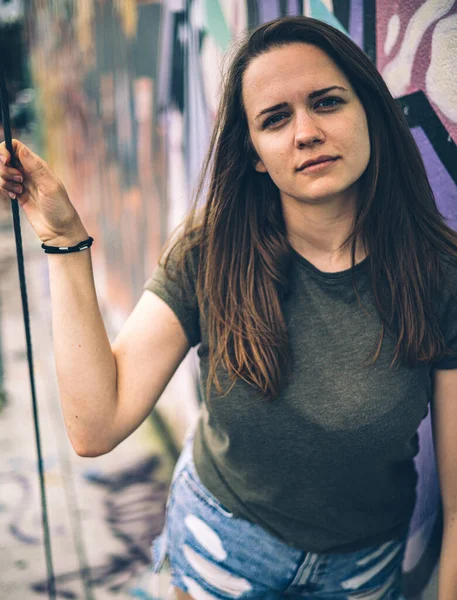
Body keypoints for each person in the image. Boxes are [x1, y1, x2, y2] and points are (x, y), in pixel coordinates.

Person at [1, 14, 457, 600]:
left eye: (326, 103)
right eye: (275, 119)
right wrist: (65, 240)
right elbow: (97, 423)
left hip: (363, 568)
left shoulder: (438, 274)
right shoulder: (211, 253)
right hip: (223, 546)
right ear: (258, 156)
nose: (306, 132)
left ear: (370, 113)